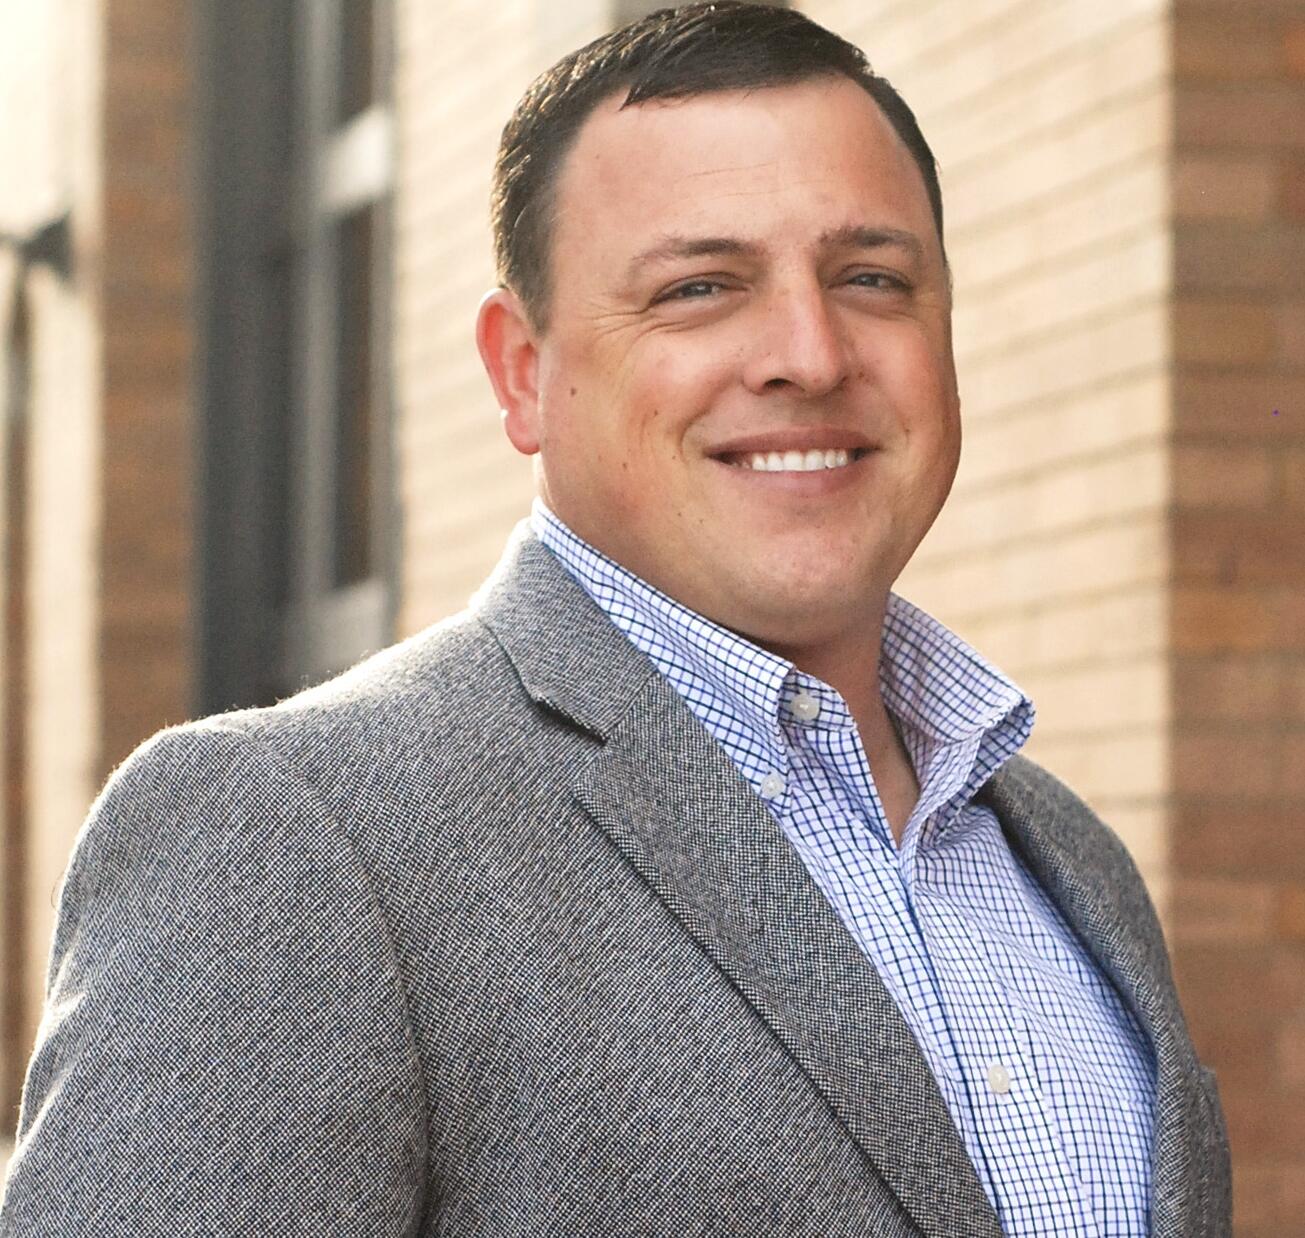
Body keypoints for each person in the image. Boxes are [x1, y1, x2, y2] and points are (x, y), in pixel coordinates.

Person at [1, 5, 1230, 1236]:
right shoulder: (292, 835)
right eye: (700, 288)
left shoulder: (1067, 855)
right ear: (521, 371)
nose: (811, 353)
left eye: (871, 278)